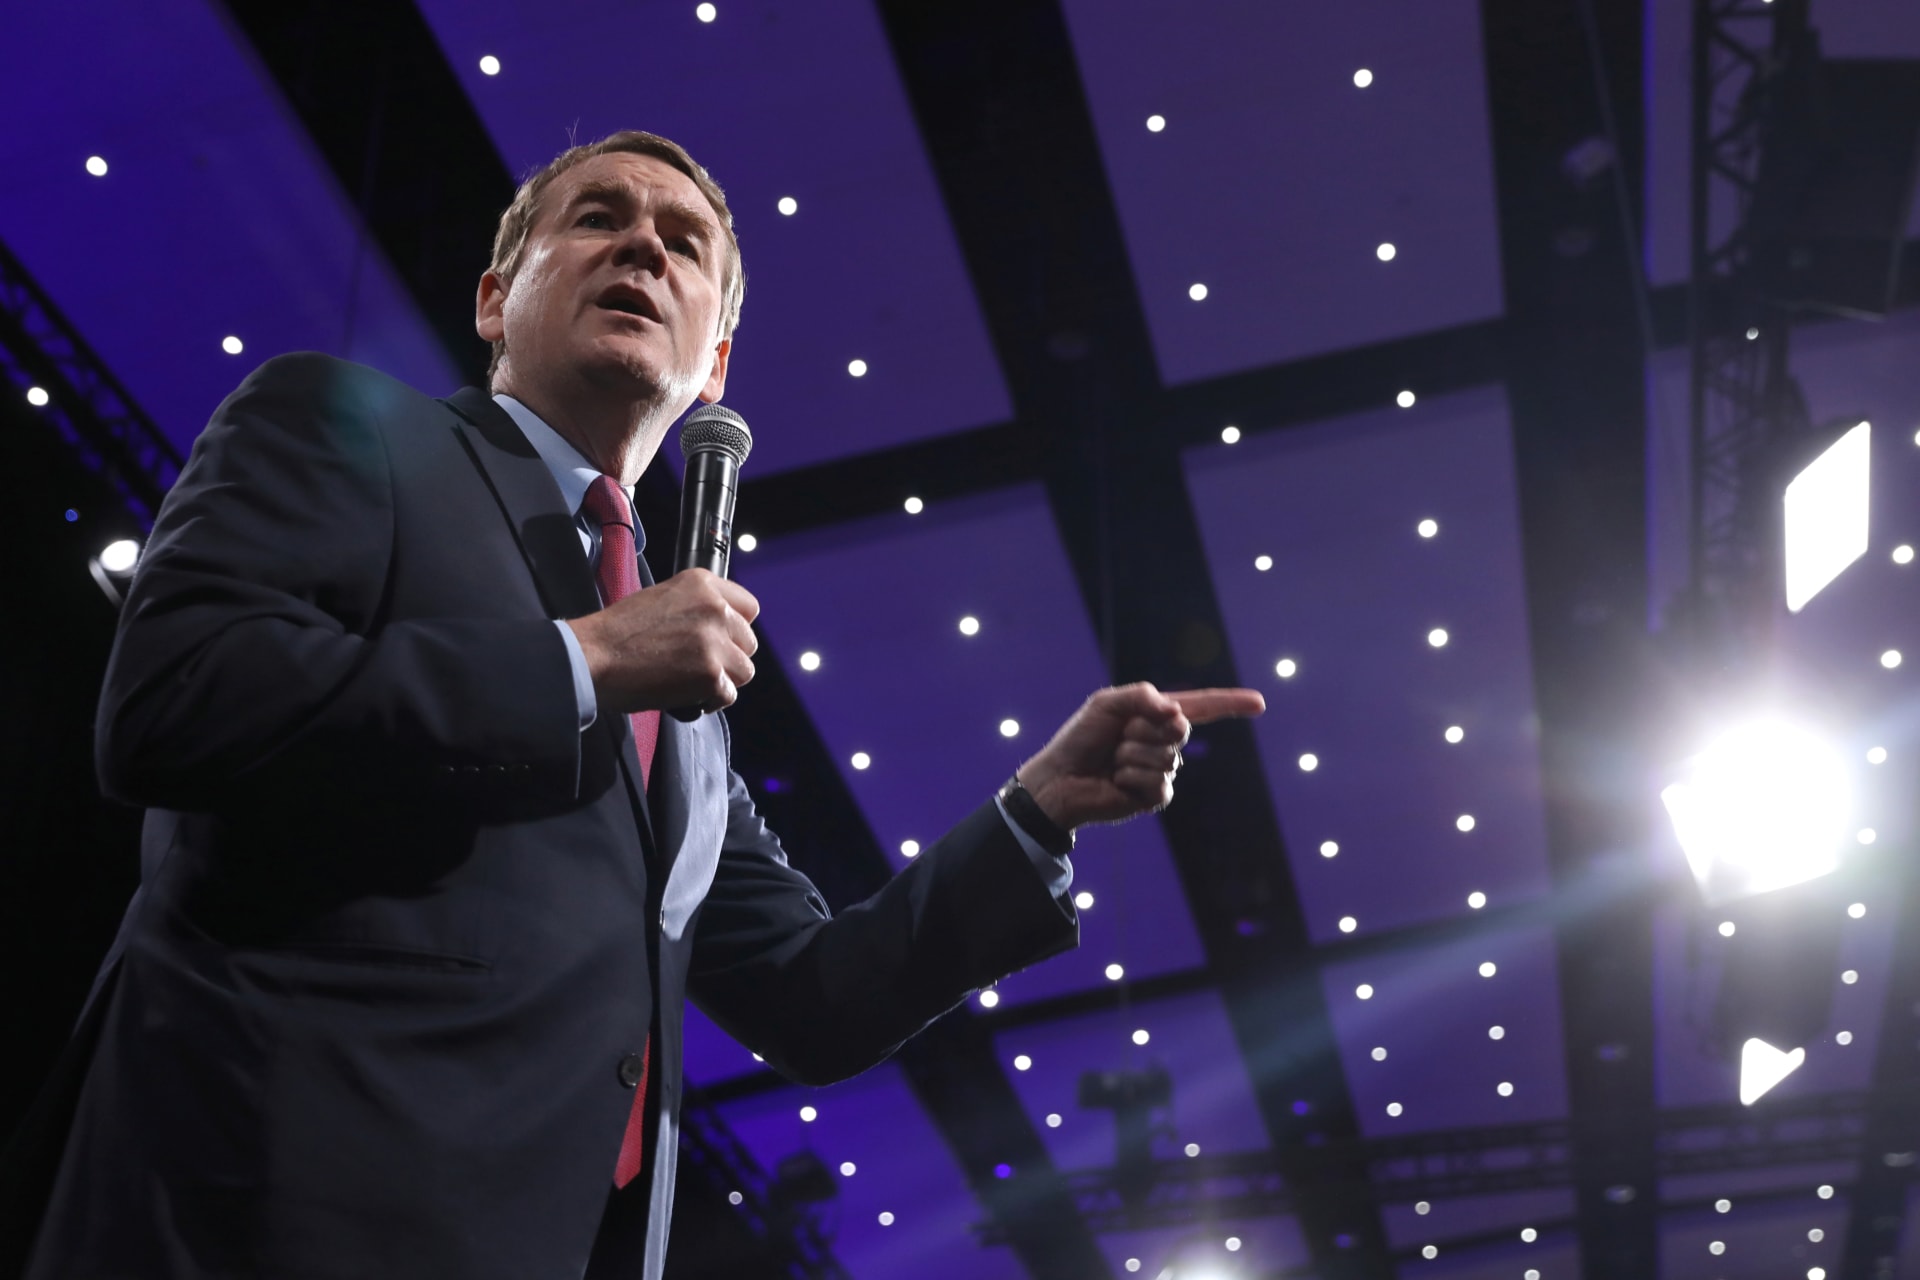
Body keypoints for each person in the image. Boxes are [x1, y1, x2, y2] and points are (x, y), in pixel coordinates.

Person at [0, 129, 1264, 1279]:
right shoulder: (347, 432)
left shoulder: (682, 699)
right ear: (497, 299)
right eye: (598, 217)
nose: (645, 244)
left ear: (714, 361)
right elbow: (176, 699)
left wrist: (1038, 809)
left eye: (685, 241)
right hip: (254, 1214)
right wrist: (581, 660)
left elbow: (815, 996)